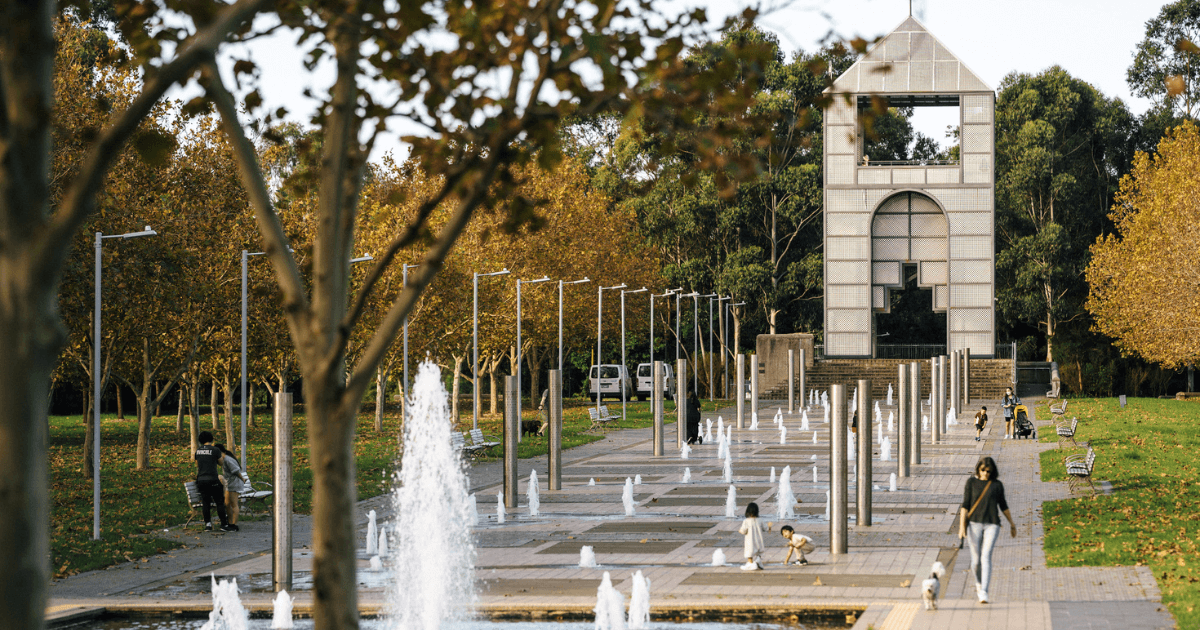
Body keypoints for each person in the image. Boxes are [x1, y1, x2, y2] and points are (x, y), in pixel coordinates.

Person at [958, 456, 1017, 604]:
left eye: (988, 471)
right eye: (983, 470)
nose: (985, 473)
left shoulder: (997, 485)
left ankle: (984, 591)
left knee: (986, 556)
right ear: (978, 469)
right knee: (976, 560)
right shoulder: (971, 483)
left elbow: (1003, 505)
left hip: (992, 524)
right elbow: (965, 505)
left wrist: (1011, 523)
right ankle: (978, 583)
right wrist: (961, 527)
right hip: (974, 524)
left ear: (993, 471)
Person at [194, 431, 232, 532]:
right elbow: (220, 463)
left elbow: (197, 464)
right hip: (213, 479)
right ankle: (224, 524)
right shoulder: (215, 450)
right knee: (219, 501)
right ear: (211, 439)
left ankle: (208, 525)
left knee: (205, 502)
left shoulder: (198, 451)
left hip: (201, 480)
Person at [216, 444, 248, 531]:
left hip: (234, 483)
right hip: (229, 483)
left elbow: (236, 470)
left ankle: (234, 524)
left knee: (234, 504)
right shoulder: (224, 459)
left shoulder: (227, 459)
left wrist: (243, 479)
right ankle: (229, 522)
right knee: (227, 504)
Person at [738, 502, 765, 571]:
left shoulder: (746, 521)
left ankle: (750, 564)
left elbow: (743, 530)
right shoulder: (760, 520)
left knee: (749, 552)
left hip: (750, 540)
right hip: (759, 540)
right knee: (758, 551)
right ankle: (758, 560)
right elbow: (765, 528)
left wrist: (740, 531)